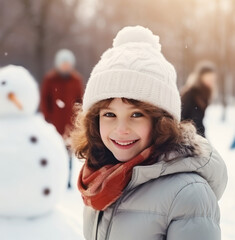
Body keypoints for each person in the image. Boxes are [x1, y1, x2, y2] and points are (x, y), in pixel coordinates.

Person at [71, 26, 227, 240]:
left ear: (161, 122)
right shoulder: (100, 180)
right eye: (109, 115)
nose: (121, 129)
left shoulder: (189, 195)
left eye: (136, 114)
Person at [40, 49, 84, 189]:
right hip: (54, 124)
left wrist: (78, 119)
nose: (65, 66)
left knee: (68, 154)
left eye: (67, 64)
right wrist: (48, 118)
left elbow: (80, 100)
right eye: (63, 63)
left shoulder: (76, 80)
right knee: (54, 152)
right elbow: (44, 100)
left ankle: (68, 179)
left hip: (70, 124)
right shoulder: (50, 79)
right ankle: (53, 179)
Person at [181, 61, 217, 137]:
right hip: (188, 135)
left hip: (198, 134)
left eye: (212, 78)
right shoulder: (190, 94)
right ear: (200, 77)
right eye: (208, 77)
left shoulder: (205, 94)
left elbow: (199, 120)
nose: (211, 80)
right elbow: (181, 117)